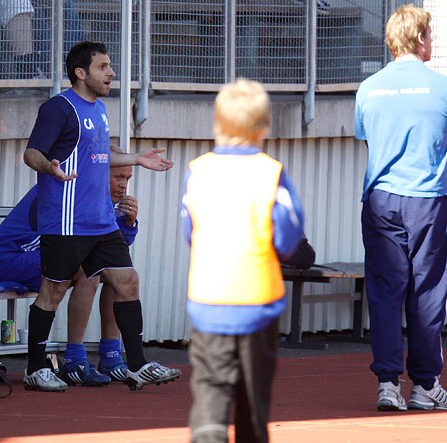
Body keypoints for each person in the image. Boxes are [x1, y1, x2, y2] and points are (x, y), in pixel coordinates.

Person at [21, 40, 181, 392]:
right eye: (103, 67)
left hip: (101, 221)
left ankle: (137, 365)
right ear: (81, 73)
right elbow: (31, 153)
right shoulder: (59, 108)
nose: (111, 73)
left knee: (128, 281)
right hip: (66, 220)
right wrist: (50, 167)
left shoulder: (99, 110)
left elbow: (97, 158)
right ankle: (36, 368)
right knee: (53, 290)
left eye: (110, 66)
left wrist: (136, 158)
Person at [354, 4, 447, 411]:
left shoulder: (368, 88)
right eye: (430, 35)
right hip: (428, 199)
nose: (432, 42)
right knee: (427, 292)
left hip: (381, 198)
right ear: (420, 38)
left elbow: (373, 145)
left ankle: (388, 383)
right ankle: (425, 384)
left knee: (385, 293)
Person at [182, 79, 308, 443]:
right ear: (264, 126)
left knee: (210, 391)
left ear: (218, 123)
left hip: (208, 302)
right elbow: (287, 240)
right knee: (253, 401)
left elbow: (189, 231)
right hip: (256, 303)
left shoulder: (198, 171)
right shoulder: (270, 173)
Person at [0, 147, 140, 386]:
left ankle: (110, 356)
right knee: (89, 270)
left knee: (115, 273)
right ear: (99, 173)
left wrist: (128, 224)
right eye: (119, 177)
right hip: (12, 259)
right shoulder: (68, 191)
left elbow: (113, 253)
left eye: (128, 179)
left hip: (41, 257)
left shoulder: (98, 198)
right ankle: (75, 360)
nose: (124, 185)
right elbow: (61, 243)